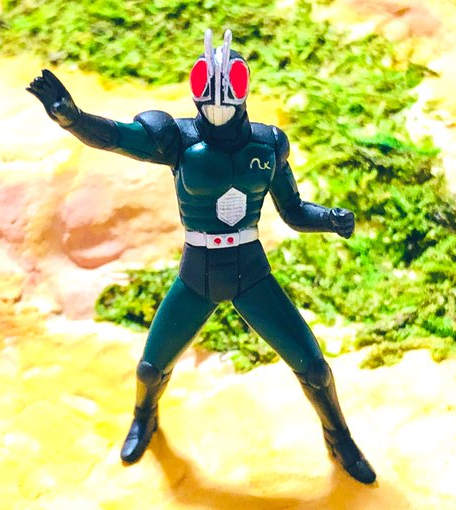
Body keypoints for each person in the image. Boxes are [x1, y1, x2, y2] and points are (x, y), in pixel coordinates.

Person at [27, 29, 376, 484]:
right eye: (205, 86)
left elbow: (292, 211)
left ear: (243, 89)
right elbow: (116, 137)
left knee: (314, 368)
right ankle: (144, 418)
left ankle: (338, 436)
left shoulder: (268, 145)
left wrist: (329, 218)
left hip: (250, 271)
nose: (217, 100)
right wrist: (73, 119)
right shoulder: (175, 139)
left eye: (229, 86)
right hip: (198, 273)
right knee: (151, 369)